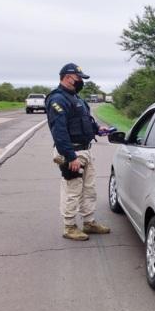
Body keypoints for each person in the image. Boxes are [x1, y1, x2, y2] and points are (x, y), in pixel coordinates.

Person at [46, 62, 112, 241]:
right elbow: (59, 131)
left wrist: (98, 129)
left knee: (89, 189)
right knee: (72, 190)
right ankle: (69, 226)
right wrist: (70, 157)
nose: (81, 82)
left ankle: (89, 222)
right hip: (72, 152)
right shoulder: (58, 99)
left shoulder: (77, 98)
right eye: (78, 78)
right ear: (67, 78)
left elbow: (86, 121)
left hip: (85, 151)